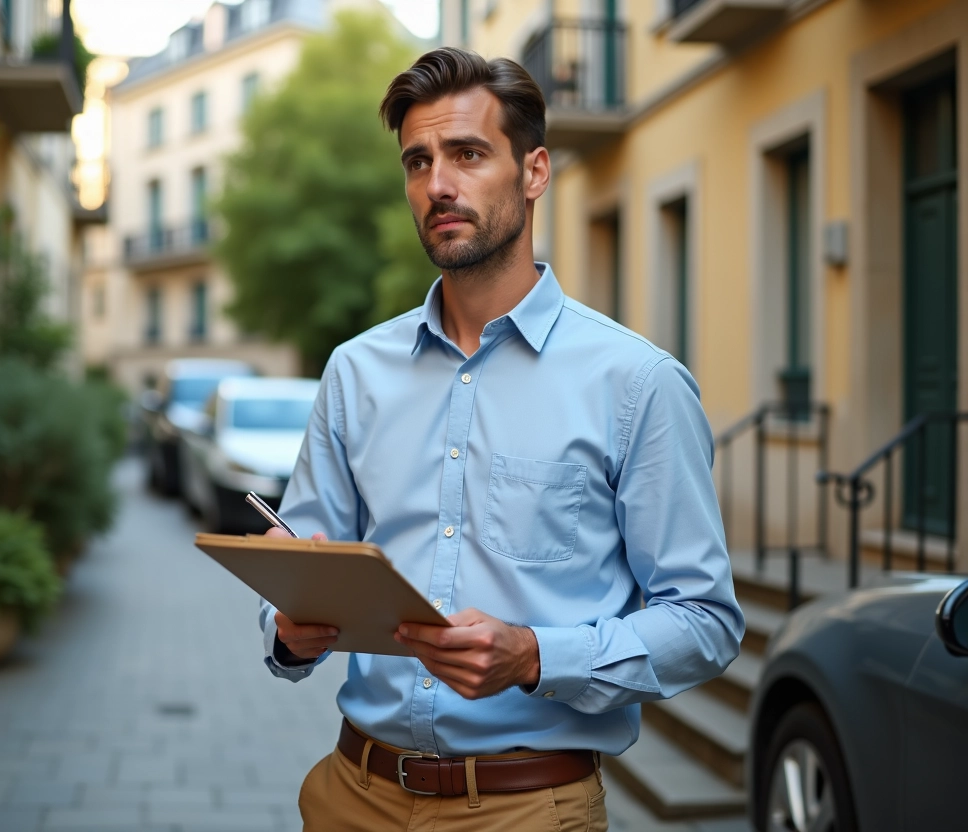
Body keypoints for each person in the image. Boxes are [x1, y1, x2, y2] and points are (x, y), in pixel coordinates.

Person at [260, 47, 744, 832]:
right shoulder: (355, 372)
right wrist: (288, 628)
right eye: (418, 162)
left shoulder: (636, 382)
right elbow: (300, 566)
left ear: (535, 171)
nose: (438, 185)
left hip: (525, 808)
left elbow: (704, 621)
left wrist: (536, 655)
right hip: (351, 795)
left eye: (468, 154)